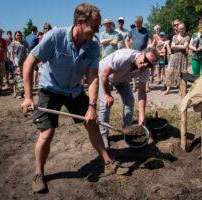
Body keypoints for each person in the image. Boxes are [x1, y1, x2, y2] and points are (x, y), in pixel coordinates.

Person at [21, 3, 128, 193]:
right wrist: (28, 97)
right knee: (46, 134)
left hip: (74, 90)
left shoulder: (93, 46)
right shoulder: (55, 36)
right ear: (80, 22)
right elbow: (29, 61)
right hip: (50, 89)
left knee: (92, 123)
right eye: (95, 26)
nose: (97, 30)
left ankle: (107, 160)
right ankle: (39, 173)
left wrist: (92, 106)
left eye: (99, 27)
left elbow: (93, 77)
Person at [98, 48, 158, 149]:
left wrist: (141, 116)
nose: (145, 65)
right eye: (146, 60)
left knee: (129, 100)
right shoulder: (123, 57)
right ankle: (103, 135)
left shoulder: (145, 70)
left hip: (121, 78)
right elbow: (104, 74)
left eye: (150, 65)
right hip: (104, 75)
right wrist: (108, 94)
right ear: (141, 54)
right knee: (106, 104)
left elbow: (142, 92)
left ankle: (127, 130)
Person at [125, 16, 153, 92]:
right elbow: (127, 40)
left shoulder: (146, 30)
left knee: (146, 70)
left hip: (144, 54)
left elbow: (151, 40)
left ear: (142, 22)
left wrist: (148, 48)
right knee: (134, 70)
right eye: (136, 23)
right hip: (134, 54)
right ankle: (134, 86)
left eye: (139, 23)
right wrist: (128, 49)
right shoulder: (132, 31)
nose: (137, 25)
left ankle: (147, 87)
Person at [164, 23, 189, 95]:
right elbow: (172, 46)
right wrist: (180, 46)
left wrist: (176, 46)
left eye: (182, 29)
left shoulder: (187, 37)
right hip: (174, 56)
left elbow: (185, 47)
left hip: (183, 57)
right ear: (178, 29)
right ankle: (168, 89)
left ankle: (180, 89)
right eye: (180, 29)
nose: (181, 30)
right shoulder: (174, 36)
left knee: (181, 73)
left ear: (185, 29)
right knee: (170, 72)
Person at [8, 31, 29, 98]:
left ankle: (23, 92)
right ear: (15, 36)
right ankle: (16, 92)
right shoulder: (13, 43)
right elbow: (11, 53)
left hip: (24, 61)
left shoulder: (25, 43)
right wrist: (13, 62)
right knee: (17, 77)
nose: (19, 36)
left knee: (23, 77)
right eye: (17, 35)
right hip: (16, 62)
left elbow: (29, 50)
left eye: (20, 35)